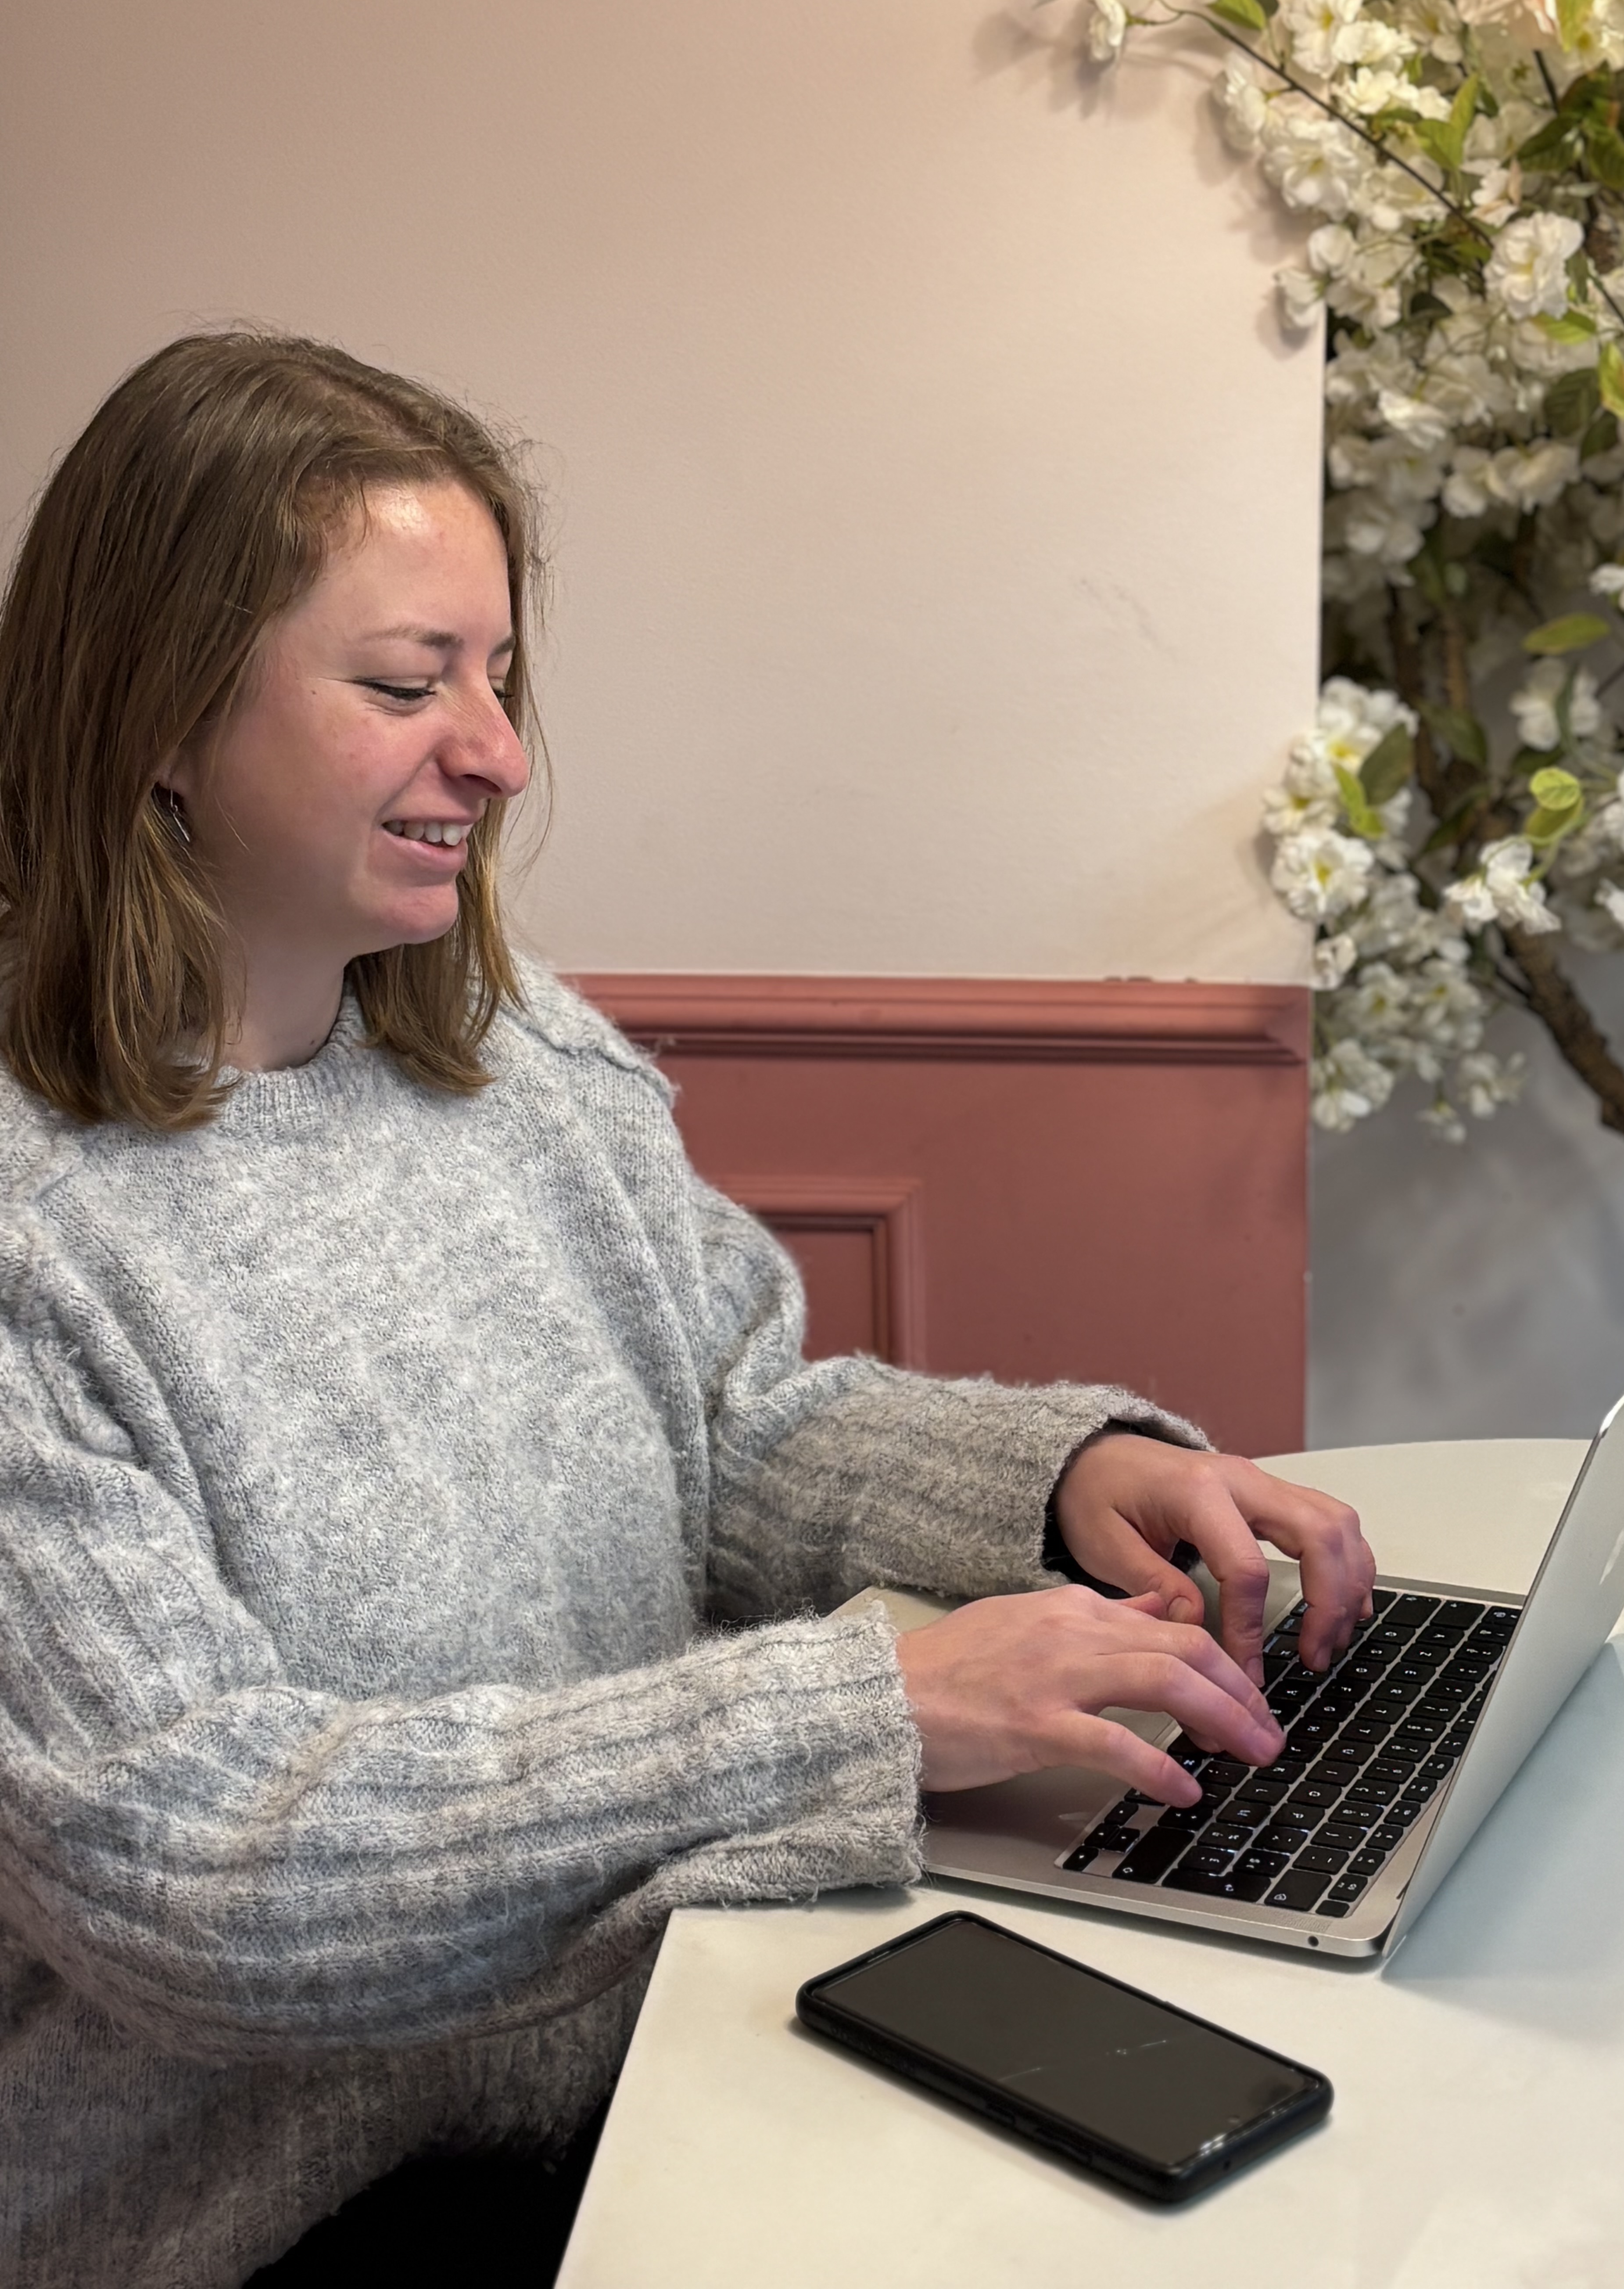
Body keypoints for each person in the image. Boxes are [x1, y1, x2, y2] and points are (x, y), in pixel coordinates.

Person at [0, 334, 1374, 2287]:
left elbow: (723, 1424)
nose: (494, 752)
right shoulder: (40, 1242)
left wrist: (1067, 1479)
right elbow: (191, 1867)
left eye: (498, 677)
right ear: (155, 710)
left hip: (663, 2053)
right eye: (406, 685)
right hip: (278, 2201)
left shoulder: (509, 1056)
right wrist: (863, 1704)